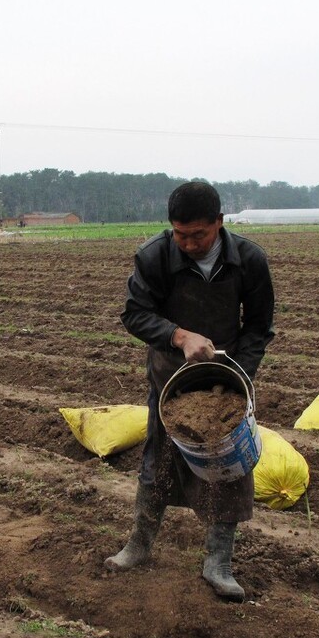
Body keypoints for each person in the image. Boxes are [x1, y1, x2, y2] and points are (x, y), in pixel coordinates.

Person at [106, 181, 275, 601]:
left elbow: (258, 326)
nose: (189, 244)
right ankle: (139, 544)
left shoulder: (248, 260)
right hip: (171, 378)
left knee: (228, 467)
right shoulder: (154, 256)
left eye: (198, 235)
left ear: (219, 222)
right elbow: (134, 313)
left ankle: (219, 562)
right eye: (180, 235)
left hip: (224, 383)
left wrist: (237, 376)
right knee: (158, 460)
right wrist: (179, 336)